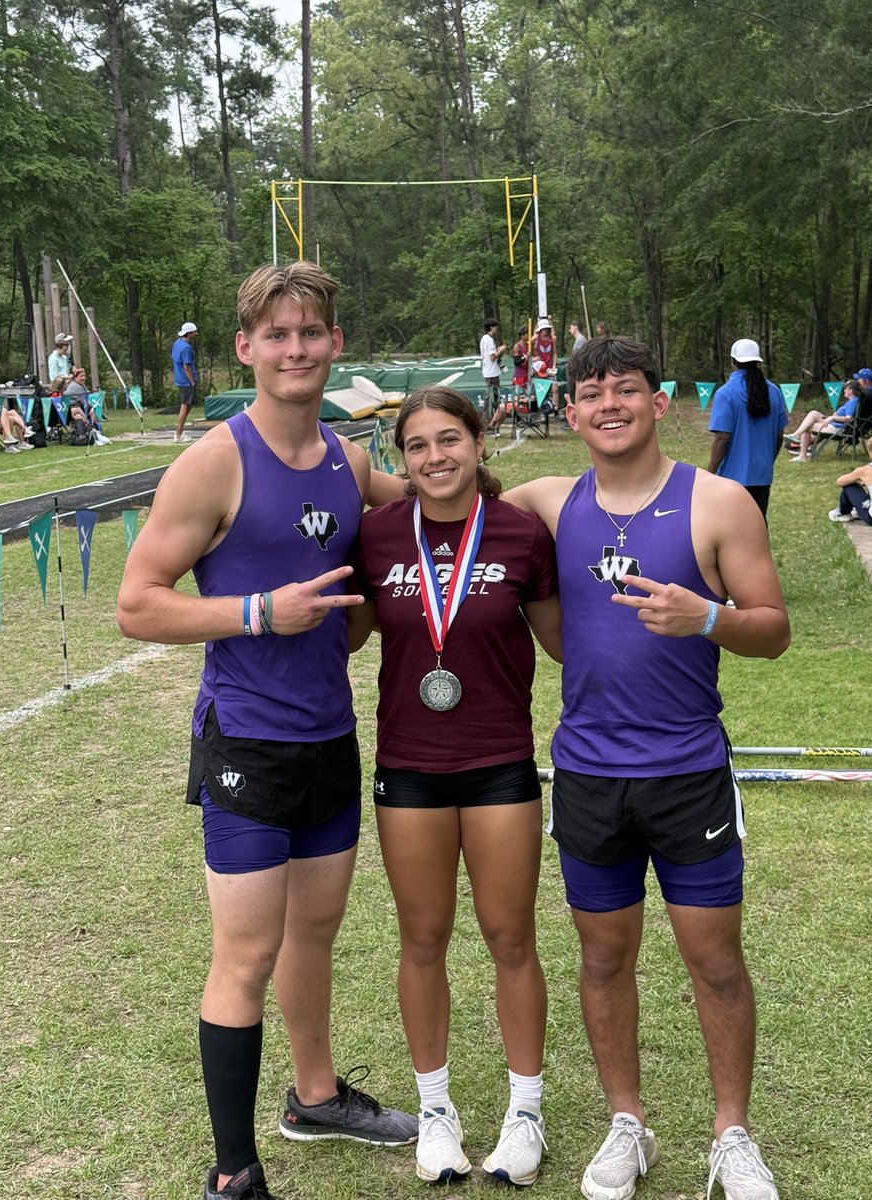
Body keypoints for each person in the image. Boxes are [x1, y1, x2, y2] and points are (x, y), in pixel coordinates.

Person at [117, 261, 417, 1200]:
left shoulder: (348, 457)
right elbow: (137, 605)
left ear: (334, 346)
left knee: (315, 933)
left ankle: (315, 1097)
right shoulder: (214, 460)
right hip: (247, 742)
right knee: (244, 953)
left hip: (330, 736)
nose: (297, 349)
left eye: (312, 332)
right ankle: (233, 1171)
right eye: (276, 335)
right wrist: (258, 612)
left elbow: (426, 507)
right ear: (246, 350)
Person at [505, 336, 789, 1200]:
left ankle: (732, 1136)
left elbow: (773, 629)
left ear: (659, 402)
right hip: (589, 773)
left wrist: (708, 618)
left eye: (624, 390)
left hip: (688, 768)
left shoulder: (719, 503)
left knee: (716, 960)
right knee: (602, 958)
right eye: (589, 394)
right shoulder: (549, 503)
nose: (607, 406)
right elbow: (437, 494)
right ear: (573, 411)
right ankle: (626, 1124)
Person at [349, 386, 562, 1187]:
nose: (435, 457)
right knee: (423, 938)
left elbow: (568, 644)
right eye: (417, 446)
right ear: (401, 460)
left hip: (499, 761)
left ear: (479, 443)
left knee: (511, 938)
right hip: (408, 764)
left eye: (450, 440)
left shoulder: (520, 534)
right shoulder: (375, 538)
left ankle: (525, 1112)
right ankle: (434, 1113)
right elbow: (346, 634)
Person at [707, 338, 788, 518]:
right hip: (762, 475)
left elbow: (722, 438)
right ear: (758, 362)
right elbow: (779, 435)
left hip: (731, 477)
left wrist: (710, 472)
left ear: (733, 362)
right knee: (757, 526)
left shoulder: (726, 393)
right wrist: (768, 461)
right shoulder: (774, 391)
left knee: (731, 529)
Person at [785, 381, 858, 462]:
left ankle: (801, 453)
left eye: (845, 388)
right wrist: (832, 417)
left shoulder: (853, 402)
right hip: (834, 424)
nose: (844, 390)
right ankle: (797, 437)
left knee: (807, 426)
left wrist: (832, 418)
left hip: (837, 428)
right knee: (813, 413)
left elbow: (849, 418)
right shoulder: (850, 401)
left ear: (851, 390)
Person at [64, 367, 111, 445]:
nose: (83, 378)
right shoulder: (74, 387)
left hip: (81, 405)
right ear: (75, 377)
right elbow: (82, 399)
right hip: (71, 409)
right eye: (81, 376)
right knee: (79, 413)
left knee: (92, 411)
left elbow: (86, 398)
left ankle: (98, 430)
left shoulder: (82, 385)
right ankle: (88, 431)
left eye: (84, 376)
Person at [172, 320, 199, 443]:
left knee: (187, 406)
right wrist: (192, 381)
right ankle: (178, 435)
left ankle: (179, 432)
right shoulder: (186, 348)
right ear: (188, 334)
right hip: (186, 381)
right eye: (194, 332)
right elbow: (186, 366)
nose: (196, 334)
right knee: (185, 407)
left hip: (180, 379)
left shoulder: (177, 343)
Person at [828, 458, 872, 524]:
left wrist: (860, 479)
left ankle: (843, 513)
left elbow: (840, 481)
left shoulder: (866, 470)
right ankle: (858, 510)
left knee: (850, 486)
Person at [479, 319, 505, 423]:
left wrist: (497, 350)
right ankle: (487, 421)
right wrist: (501, 351)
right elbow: (492, 357)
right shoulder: (489, 339)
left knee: (493, 397)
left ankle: (492, 421)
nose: (497, 328)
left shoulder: (485, 339)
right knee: (491, 398)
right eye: (495, 326)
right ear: (491, 327)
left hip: (489, 371)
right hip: (491, 372)